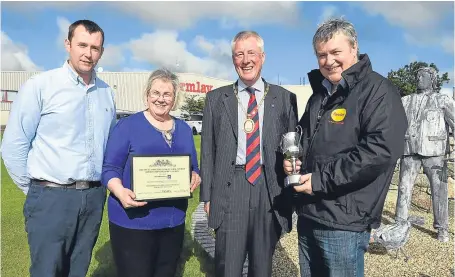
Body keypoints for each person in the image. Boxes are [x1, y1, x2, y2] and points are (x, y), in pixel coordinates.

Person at [284, 18, 408, 277]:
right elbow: (305, 139)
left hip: (345, 220)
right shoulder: (320, 94)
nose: (328, 61)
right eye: (321, 55)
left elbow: (379, 152)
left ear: (354, 49)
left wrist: (319, 181)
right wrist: (293, 162)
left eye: (335, 52)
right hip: (311, 212)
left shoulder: (379, 91)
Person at [1, 20, 115, 277]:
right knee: (46, 271)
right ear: (68, 45)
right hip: (50, 197)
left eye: (95, 47)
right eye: (82, 45)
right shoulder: (41, 86)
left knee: (78, 270)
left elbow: (110, 146)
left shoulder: (107, 93)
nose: (88, 53)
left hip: (94, 198)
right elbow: (13, 145)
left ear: (102, 52)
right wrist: (36, 191)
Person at [200, 31, 298, 277]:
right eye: (239, 54)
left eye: (251, 53)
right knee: (228, 266)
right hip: (230, 188)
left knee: (262, 266)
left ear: (262, 57)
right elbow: (208, 151)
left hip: (269, 188)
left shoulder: (284, 98)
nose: (246, 60)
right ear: (233, 59)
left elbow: (292, 147)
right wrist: (207, 197)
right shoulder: (216, 99)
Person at [101, 68, 201, 277]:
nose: (160, 99)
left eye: (167, 94)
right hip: (133, 221)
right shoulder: (127, 126)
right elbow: (110, 169)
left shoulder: (183, 129)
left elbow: (193, 167)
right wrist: (119, 191)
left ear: (174, 99)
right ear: (147, 95)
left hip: (172, 221)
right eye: (155, 93)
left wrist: (195, 176)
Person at [395, 67, 454, 243]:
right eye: (418, 76)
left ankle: (442, 228)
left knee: (439, 190)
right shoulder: (405, 101)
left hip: (435, 152)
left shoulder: (442, 100)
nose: (419, 78)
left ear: (432, 79)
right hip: (409, 150)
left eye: (423, 76)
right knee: (404, 187)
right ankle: (400, 223)